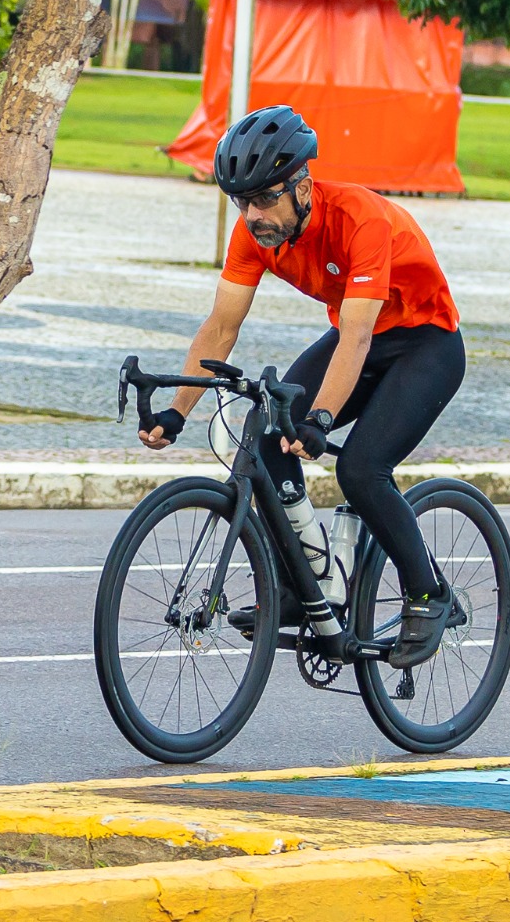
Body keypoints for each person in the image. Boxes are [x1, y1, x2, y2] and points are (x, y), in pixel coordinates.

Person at [139, 104, 465, 669]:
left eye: (265, 198)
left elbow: (359, 337)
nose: (253, 214)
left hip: (424, 345)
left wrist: (320, 420)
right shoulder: (255, 235)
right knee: (265, 435)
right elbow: (221, 327)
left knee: (360, 470)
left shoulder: (362, 219)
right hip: (354, 338)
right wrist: (177, 411)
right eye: (241, 201)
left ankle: (429, 592)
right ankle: (305, 582)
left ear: (304, 187)